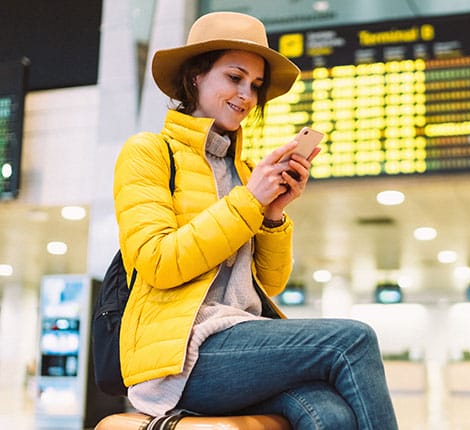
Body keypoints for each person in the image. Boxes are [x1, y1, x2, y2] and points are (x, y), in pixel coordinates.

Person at [113, 11, 398, 429]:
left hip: (243, 342)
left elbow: (271, 284)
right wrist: (249, 202)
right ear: (196, 76)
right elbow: (157, 260)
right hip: (182, 356)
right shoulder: (149, 152)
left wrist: (273, 215)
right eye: (234, 77)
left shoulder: (246, 171)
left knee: (331, 415)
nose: (246, 95)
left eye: (256, 86)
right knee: (353, 340)